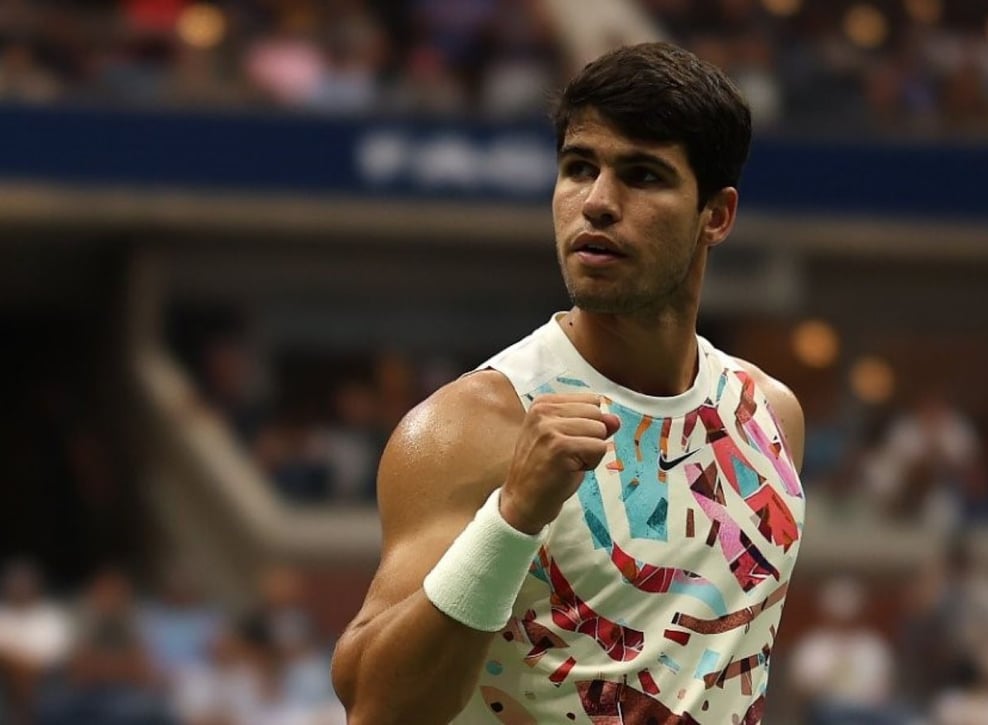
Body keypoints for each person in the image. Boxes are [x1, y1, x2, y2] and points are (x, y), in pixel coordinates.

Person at [331, 41, 806, 724]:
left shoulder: (770, 416)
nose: (598, 202)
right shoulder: (471, 426)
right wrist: (514, 516)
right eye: (579, 168)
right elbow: (376, 706)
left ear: (717, 215)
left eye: (643, 175)